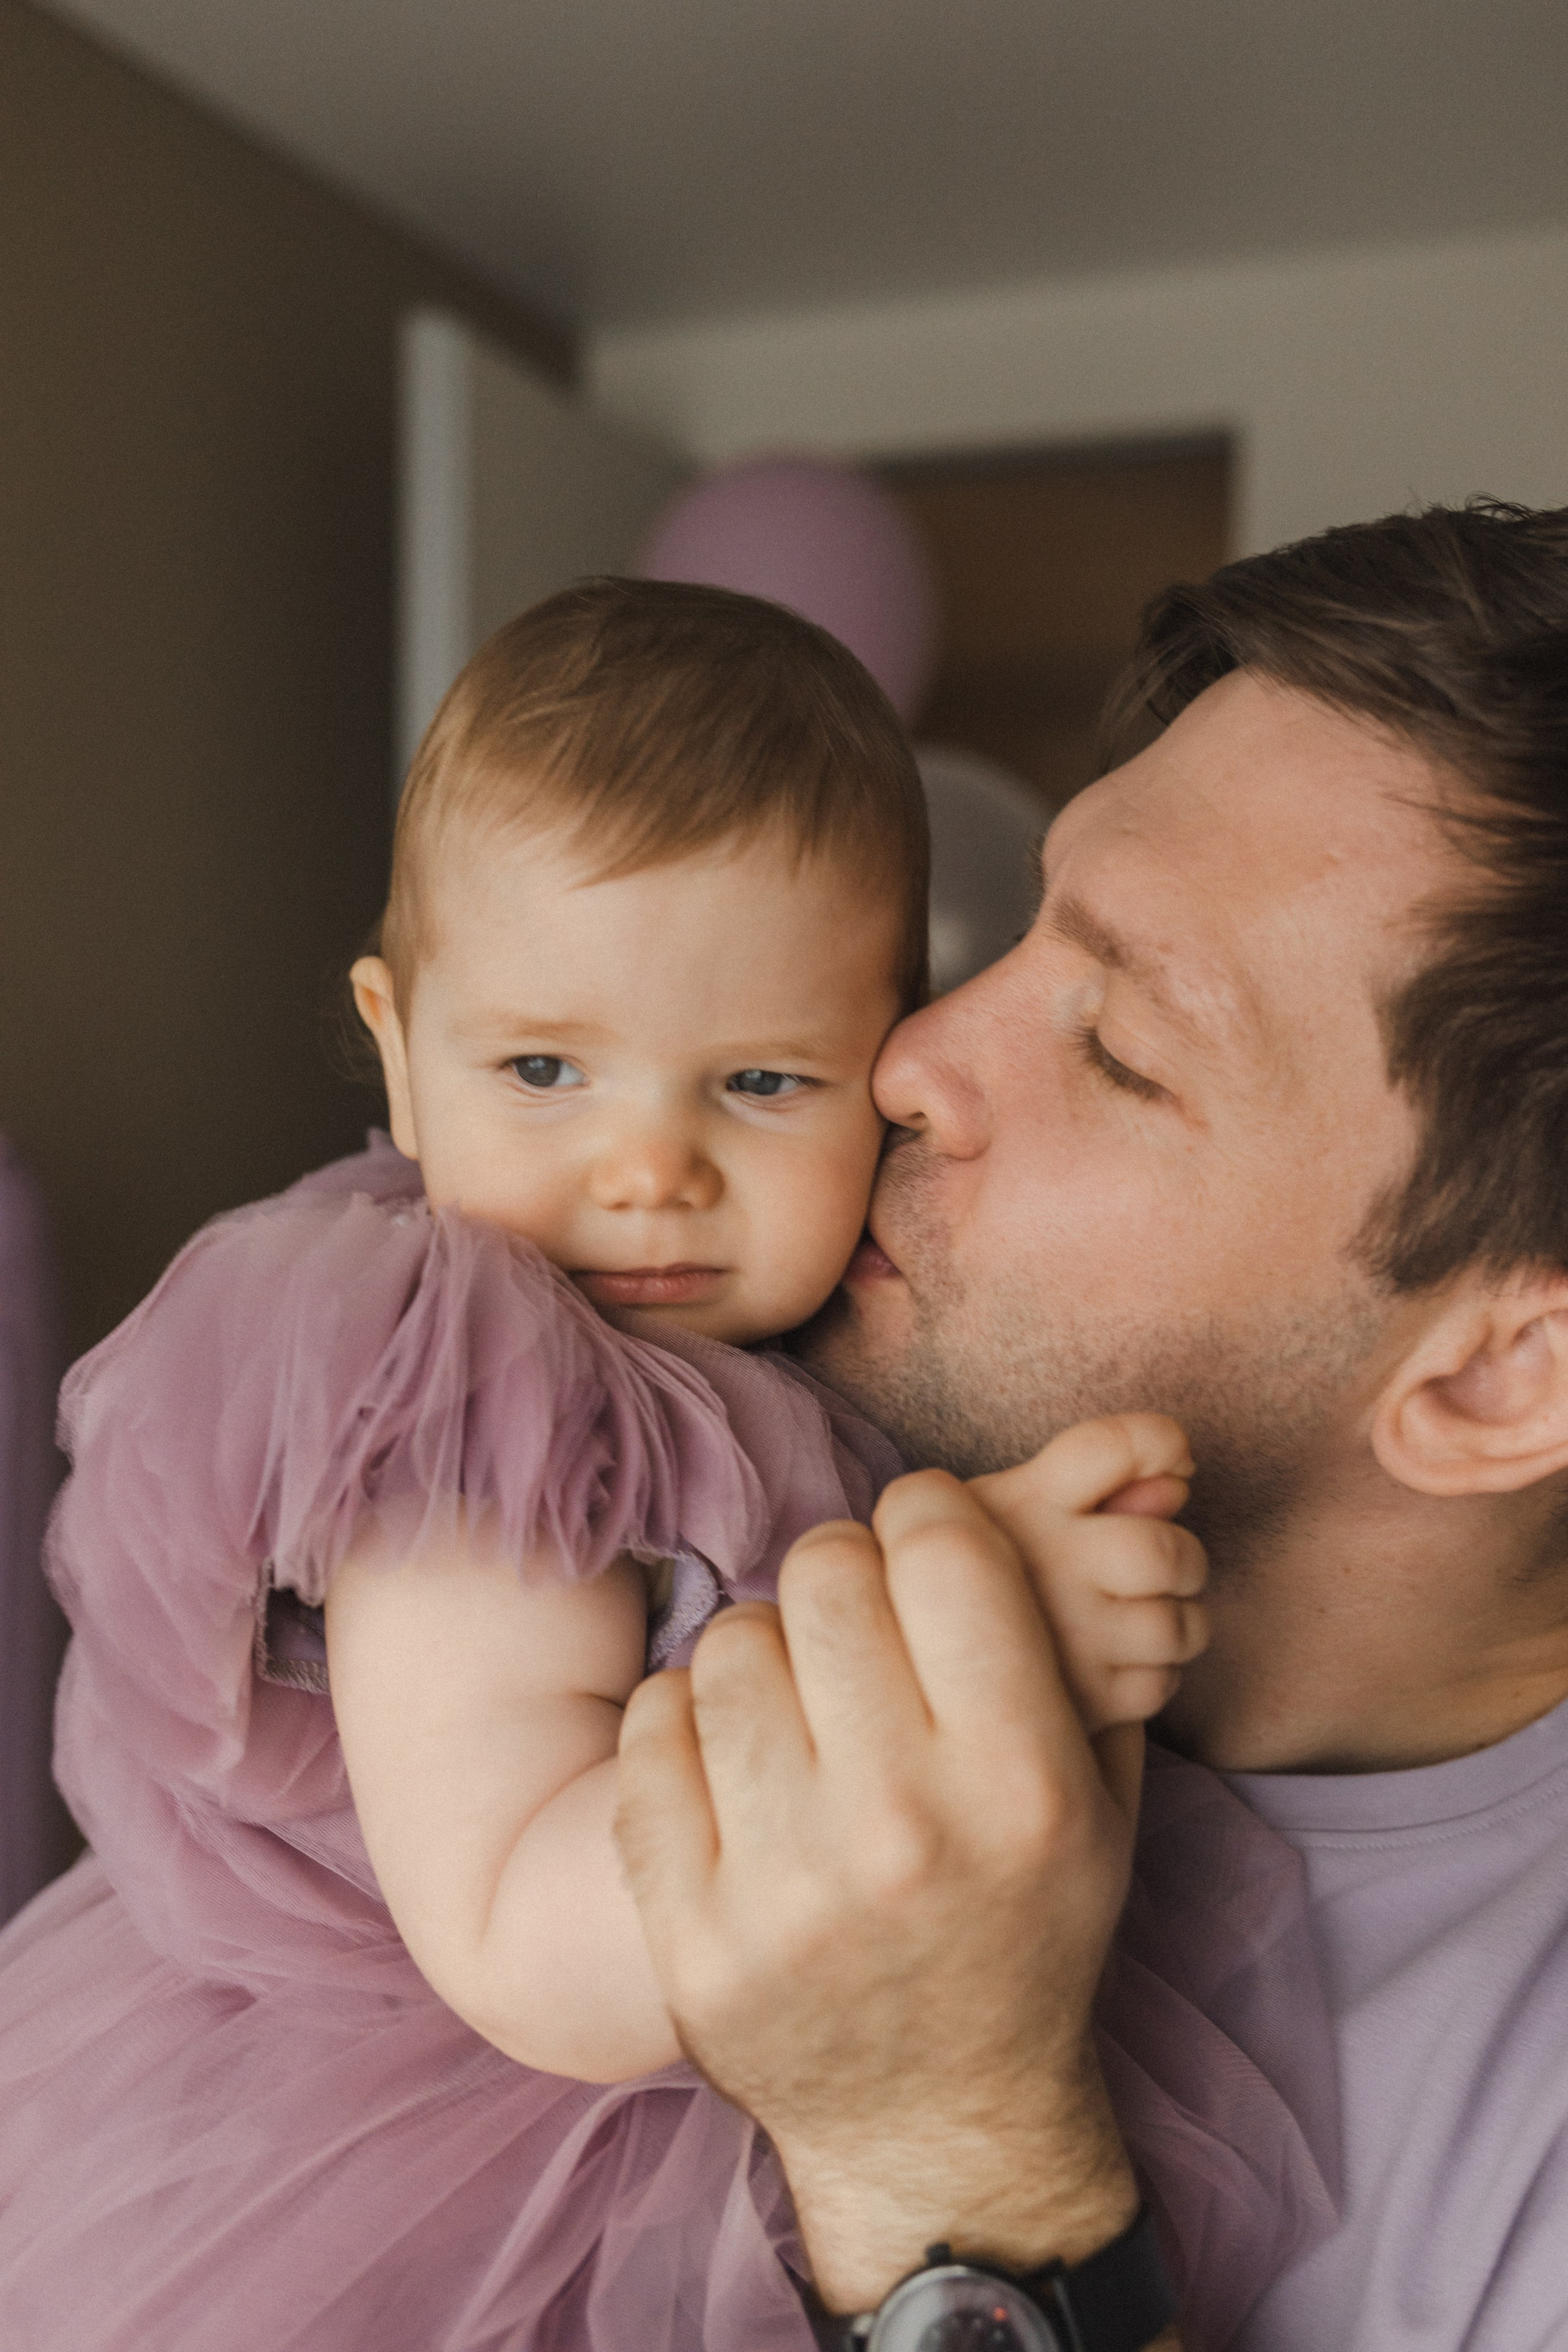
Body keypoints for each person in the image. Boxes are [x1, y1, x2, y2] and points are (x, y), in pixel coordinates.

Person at [0, 579, 1238, 2351]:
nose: (648, 1168)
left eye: (757, 1083)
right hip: (426, 2178)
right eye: (543, 1067)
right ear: (399, 1054)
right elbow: (522, 1940)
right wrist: (986, 1633)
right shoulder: (463, 1388)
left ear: (891, 1057)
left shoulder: (797, 1373)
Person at [615, 500, 1568, 2351]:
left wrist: (948, 2156)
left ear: (1500, 1377)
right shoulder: (692, 1457)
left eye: (1122, 1048)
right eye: (1032, 924)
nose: (907, 1059)